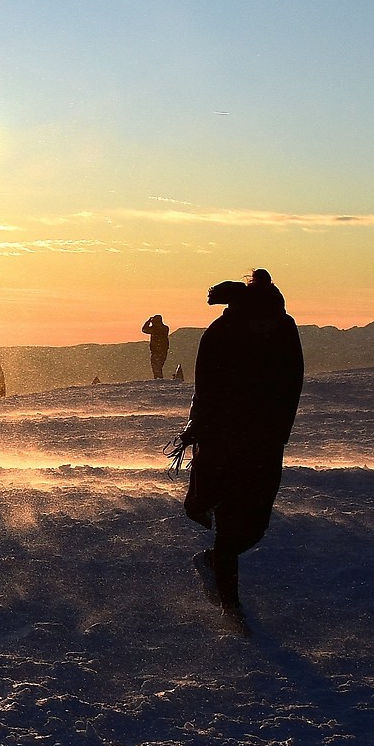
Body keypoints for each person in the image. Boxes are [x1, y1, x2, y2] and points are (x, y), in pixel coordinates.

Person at [180, 268, 304, 630]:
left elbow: (292, 381)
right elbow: (204, 389)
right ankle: (231, 607)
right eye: (264, 322)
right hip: (224, 439)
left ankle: (212, 563)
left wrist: (279, 430)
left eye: (274, 321)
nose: (269, 328)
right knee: (232, 524)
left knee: (256, 525)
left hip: (265, 440)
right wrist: (199, 427)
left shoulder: (283, 328)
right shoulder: (219, 334)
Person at [142, 314, 171, 380]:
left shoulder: (158, 329)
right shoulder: (164, 328)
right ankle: (159, 379)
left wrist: (148, 322)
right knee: (158, 367)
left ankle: (159, 379)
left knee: (156, 367)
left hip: (157, 351)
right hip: (162, 351)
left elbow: (144, 330)